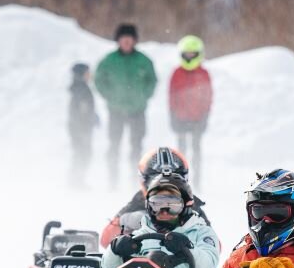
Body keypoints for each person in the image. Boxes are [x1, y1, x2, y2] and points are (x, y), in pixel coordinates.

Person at [101, 173, 219, 268]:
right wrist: (115, 250)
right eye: (157, 204)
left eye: (172, 205)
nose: (164, 211)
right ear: (149, 206)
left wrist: (187, 248)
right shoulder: (140, 236)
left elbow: (209, 263)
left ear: (186, 206)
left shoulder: (201, 232)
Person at [99, 147, 211, 248]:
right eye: (156, 180)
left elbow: (213, 244)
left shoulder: (190, 204)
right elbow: (106, 239)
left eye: (174, 180)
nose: (164, 187)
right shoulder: (138, 201)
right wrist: (128, 222)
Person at [94, 24, 157, 177]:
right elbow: (98, 80)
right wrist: (109, 95)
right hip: (116, 109)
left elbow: (152, 80)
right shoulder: (109, 60)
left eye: (129, 39)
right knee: (114, 144)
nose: (127, 42)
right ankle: (112, 179)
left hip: (137, 109)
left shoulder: (143, 60)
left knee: (136, 146)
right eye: (123, 39)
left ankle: (135, 178)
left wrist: (144, 95)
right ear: (118, 40)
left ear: (134, 40)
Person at [169, 35, 213, 185]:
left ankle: (197, 181)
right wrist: (172, 116)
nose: (189, 57)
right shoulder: (177, 73)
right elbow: (171, 96)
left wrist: (205, 116)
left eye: (192, 54)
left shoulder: (203, 73)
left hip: (197, 118)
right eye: (186, 54)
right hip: (180, 117)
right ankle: (180, 179)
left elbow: (208, 97)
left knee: (196, 150)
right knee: (181, 152)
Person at [67, 63, 99, 176]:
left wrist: (93, 116)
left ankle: (77, 179)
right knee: (82, 153)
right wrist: (83, 128)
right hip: (80, 128)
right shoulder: (81, 90)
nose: (90, 75)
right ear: (80, 74)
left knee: (82, 153)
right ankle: (76, 180)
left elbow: (85, 109)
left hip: (81, 126)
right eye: (87, 73)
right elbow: (80, 111)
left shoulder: (80, 88)